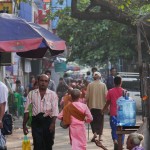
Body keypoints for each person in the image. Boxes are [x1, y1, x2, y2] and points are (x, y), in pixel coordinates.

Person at [23, 74, 59, 150]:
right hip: (36, 121)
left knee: (48, 143)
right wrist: (24, 125)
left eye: (46, 81)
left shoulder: (53, 95)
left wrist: (53, 123)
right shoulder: (31, 94)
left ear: (48, 83)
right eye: (41, 81)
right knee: (37, 143)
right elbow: (26, 110)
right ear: (38, 81)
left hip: (48, 122)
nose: (43, 83)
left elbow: (55, 110)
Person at [102, 76, 124, 150]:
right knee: (122, 130)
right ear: (121, 82)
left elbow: (108, 102)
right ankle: (121, 143)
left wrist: (103, 110)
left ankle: (115, 140)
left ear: (114, 82)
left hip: (113, 113)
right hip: (122, 114)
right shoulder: (124, 91)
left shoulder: (110, 91)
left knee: (114, 129)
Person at [86, 71, 107, 141]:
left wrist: (86, 104)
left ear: (93, 77)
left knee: (93, 121)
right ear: (100, 77)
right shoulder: (103, 85)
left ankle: (95, 133)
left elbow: (87, 97)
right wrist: (107, 106)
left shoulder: (90, 85)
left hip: (92, 106)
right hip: (101, 106)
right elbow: (106, 96)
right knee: (100, 121)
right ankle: (100, 137)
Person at [0, 80, 8, 149]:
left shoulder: (2, 87)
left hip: (1, 116)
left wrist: (0, 120)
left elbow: (3, 104)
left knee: (1, 143)